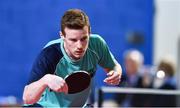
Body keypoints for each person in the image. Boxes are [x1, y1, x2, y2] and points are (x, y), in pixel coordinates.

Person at [22, 9, 122, 107]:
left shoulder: (96, 44)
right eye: (73, 40)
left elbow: (114, 67)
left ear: (89, 33)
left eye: (84, 39)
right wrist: (46, 80)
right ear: (62, 35)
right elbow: (27, 98)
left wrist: (116, 73)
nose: (79, 46)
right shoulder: (50, 54)